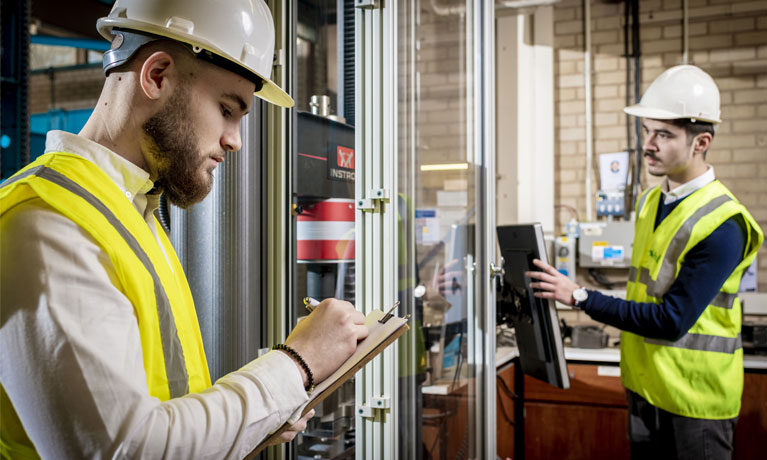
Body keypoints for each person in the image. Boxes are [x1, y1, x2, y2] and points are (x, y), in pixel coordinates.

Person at [0, 0, 369, 458]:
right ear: (156, 75)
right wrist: (296, 365)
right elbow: (125, 449)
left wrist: (257, 419)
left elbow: (164, 408)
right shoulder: (47, 222)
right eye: (226, 109)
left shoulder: (132, 211)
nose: (234, 139)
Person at [527, 64, 763, 459]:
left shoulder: (724, 224)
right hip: (644, 388)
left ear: (701, 142)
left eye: (664, 134)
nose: (648, 144)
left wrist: (581, 296)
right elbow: (646, 291)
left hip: (695, 402)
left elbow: (671, 321)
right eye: (646, 131)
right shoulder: (650, 202)